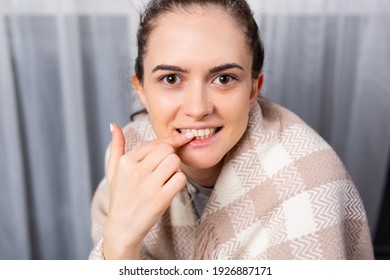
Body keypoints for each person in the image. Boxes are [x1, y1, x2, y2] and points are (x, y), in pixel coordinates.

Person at [89, 0, 374, 260]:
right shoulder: (129, 159)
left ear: (253, 90)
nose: (198, 108)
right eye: (171, 78)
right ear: (141, 90)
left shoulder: (311, 179)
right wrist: (119, 243)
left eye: (224, 79)